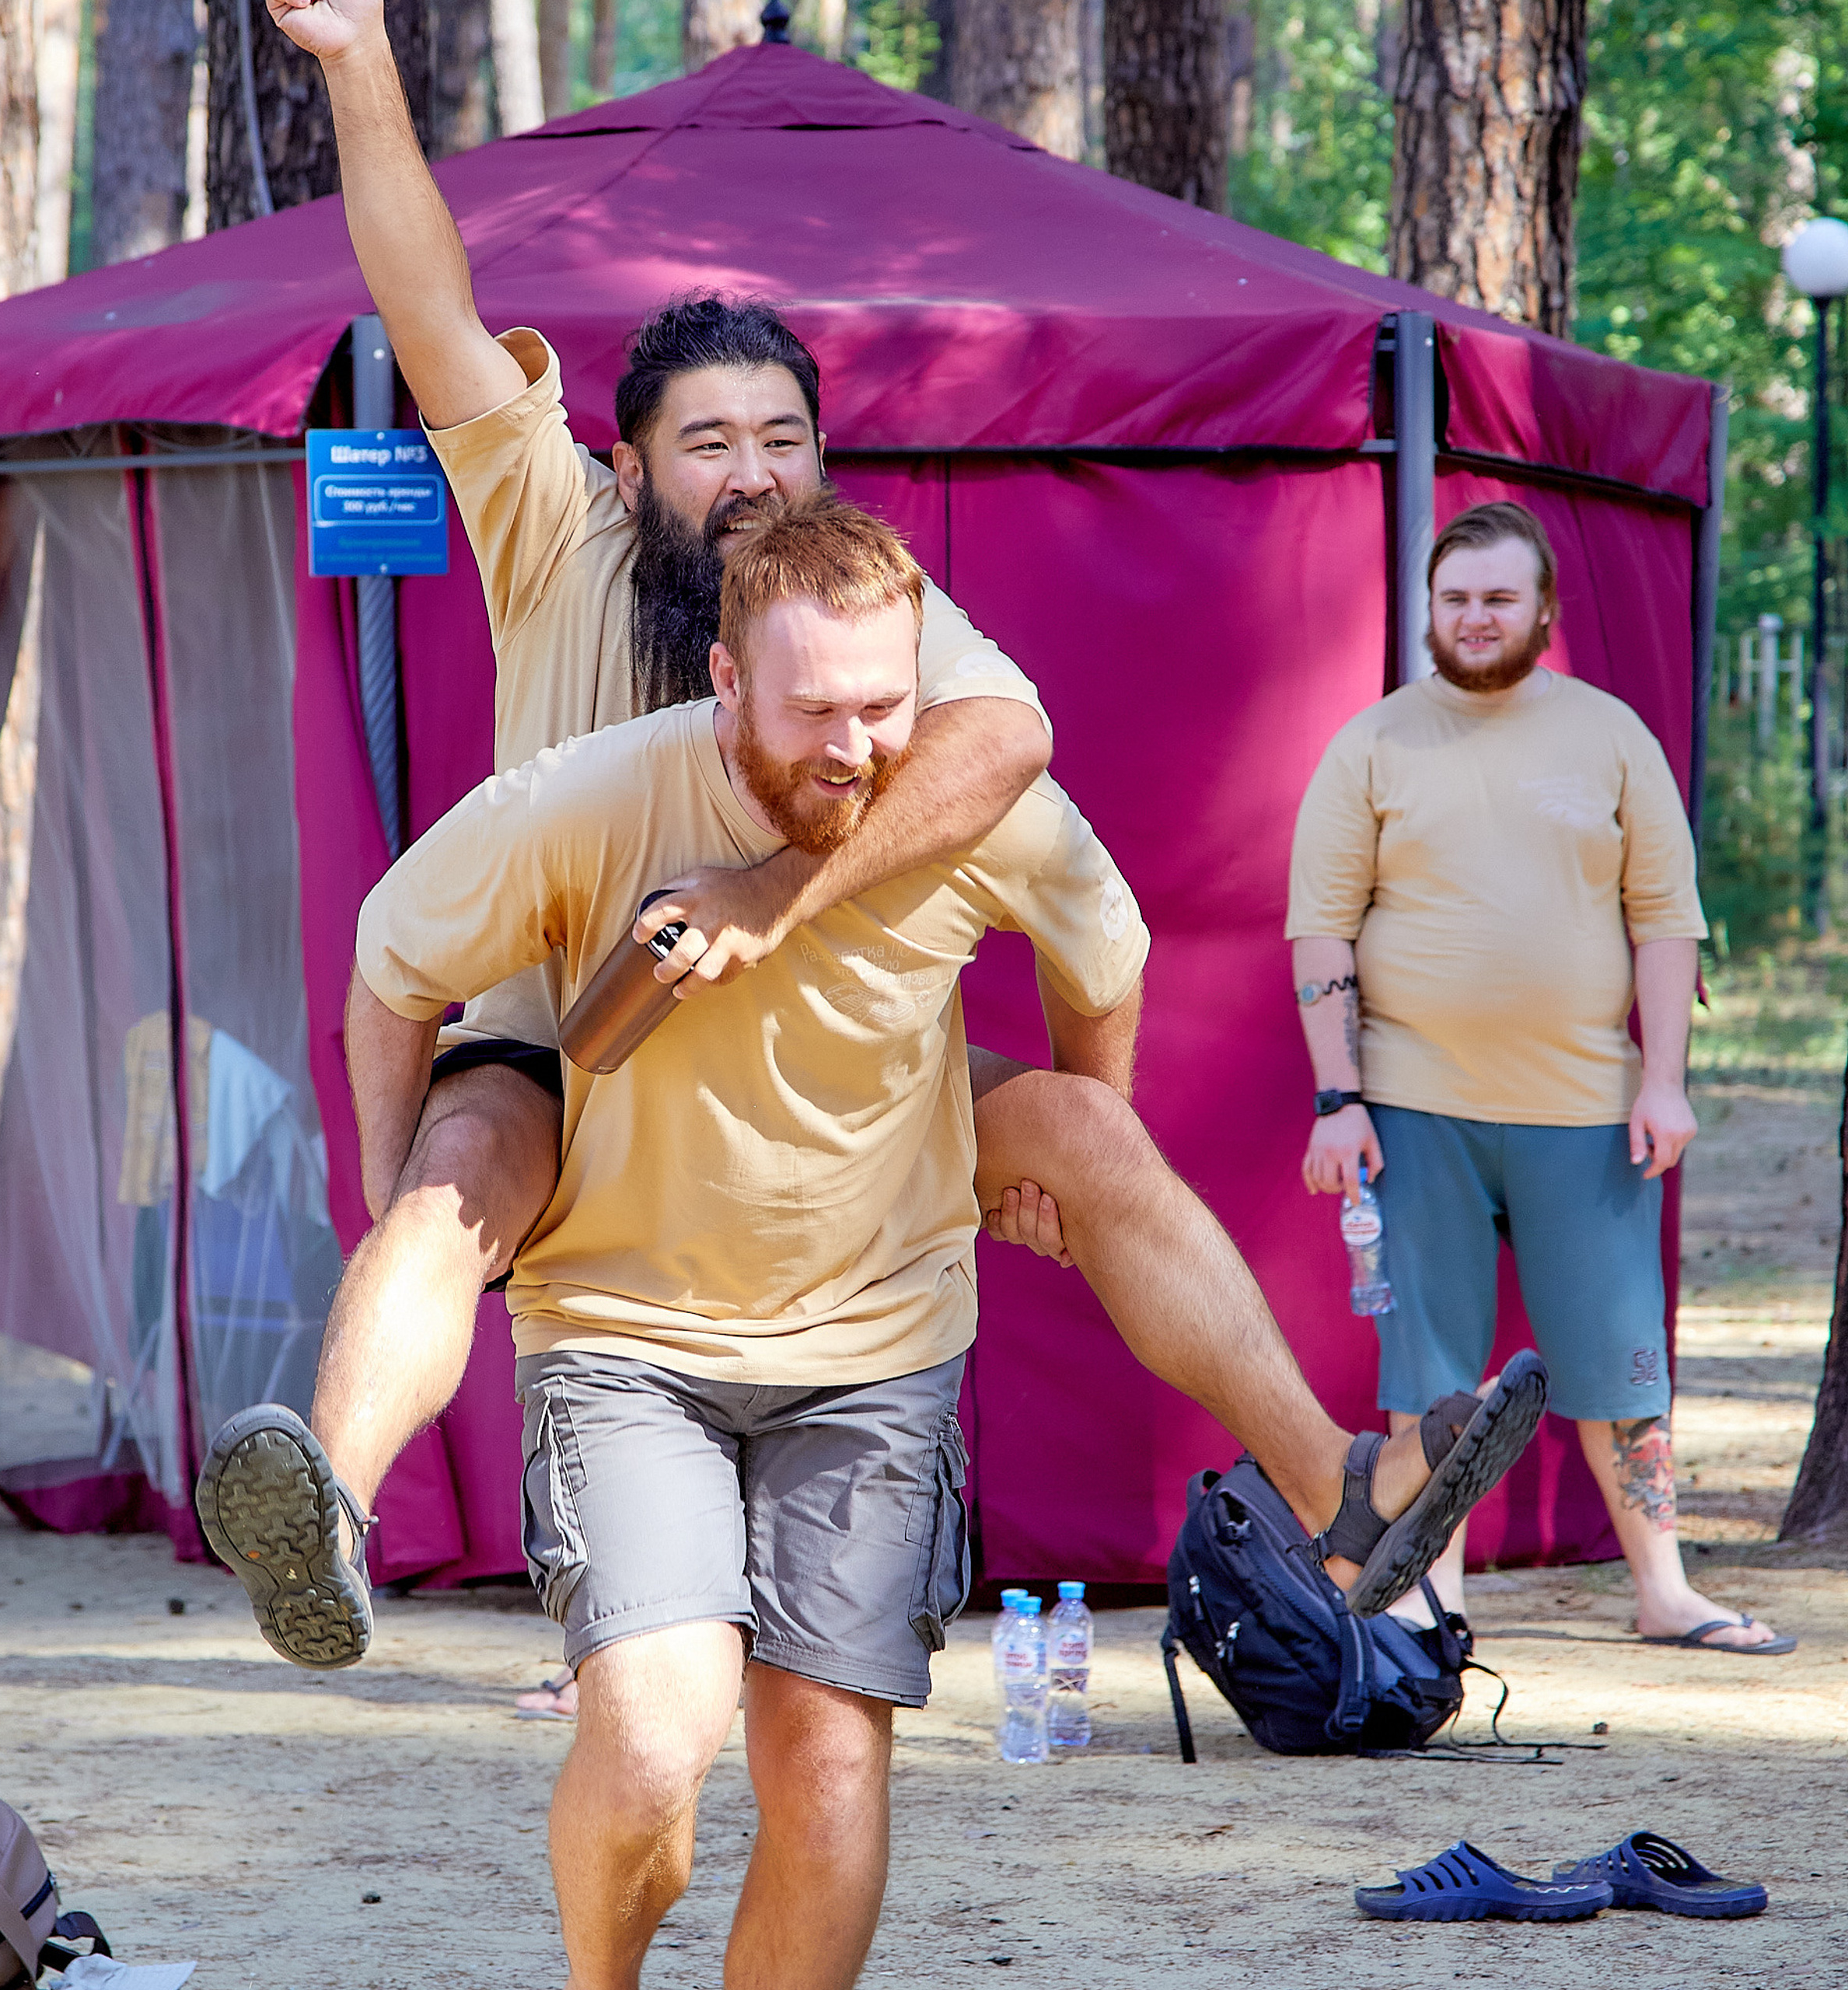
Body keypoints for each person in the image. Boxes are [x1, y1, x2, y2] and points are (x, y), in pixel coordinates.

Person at [220, 0, 1543, 1672]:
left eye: (783, 438)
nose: (753, 472)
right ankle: (324, 1506)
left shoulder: (874, 621)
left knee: (1077, 1122)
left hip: (836, 1078)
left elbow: (1029, 785)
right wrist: (355, 58)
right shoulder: (551, 529)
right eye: (708, 443)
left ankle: (1344, 1493)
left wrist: (1035, 1116)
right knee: (447, 1180)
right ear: (624, 472)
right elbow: (424, 300)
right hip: (572, 1060)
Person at [202, 501, 1546, 1989]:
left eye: (885, 708)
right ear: (722, 681)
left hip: (876, 1345)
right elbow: (391, 967)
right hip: (632, 1337)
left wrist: (1050, 1150)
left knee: (829, 1776)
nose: (853, 747)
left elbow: (1108, 955)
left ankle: (1342, 1485)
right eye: (813, 712)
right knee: (655, 1747)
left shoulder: (963, 806)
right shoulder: (585, 802)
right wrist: (404, 1205)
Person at [1287, 499, 1794, 1657]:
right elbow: (1322, 931)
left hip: (1589, 1107)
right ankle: (1431, 1594)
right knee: (1429, 1370)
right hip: (1417, 1106)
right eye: (1455, 598)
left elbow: (1669, 923)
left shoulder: (1613, 738)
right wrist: (1339, 1095)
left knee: (1621, 1360)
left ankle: (1663, 1589)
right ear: (1430, 609)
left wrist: (1665, 1080)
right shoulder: (1372, 746)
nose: (1475, 618)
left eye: (1498, 598)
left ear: (1545, 612)